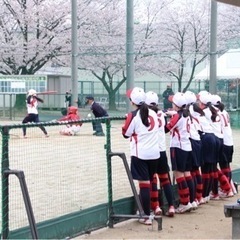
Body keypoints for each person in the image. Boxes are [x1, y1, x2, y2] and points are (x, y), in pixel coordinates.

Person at [122, 87, 160, 225]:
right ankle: (150, 210)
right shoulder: (154, 113)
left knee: (144, 185)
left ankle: (145, 214)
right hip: (154, 153)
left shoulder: (133, 115)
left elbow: (125, 134)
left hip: (140, 154)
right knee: (149, 182)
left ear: (132, 101)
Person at [145, 91, 175, 217]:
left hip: (151, 151)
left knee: (151, 180)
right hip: (161, 150)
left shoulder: (145, 114)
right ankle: (172, 206)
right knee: (165, 180)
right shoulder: (161, 114)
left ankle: (156, 206)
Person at [165, 92, 194, 213]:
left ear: (176, 105)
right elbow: (178, 116)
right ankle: (191, 201)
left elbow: (166, 129)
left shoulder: (178, 116)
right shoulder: (187, 114)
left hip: (178, 147)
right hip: (187, 146)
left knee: (179, 175)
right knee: (187, 174)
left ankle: (185, 202)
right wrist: (172, 113)